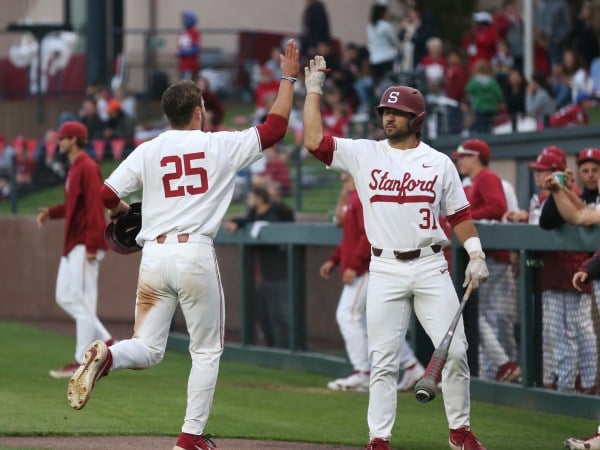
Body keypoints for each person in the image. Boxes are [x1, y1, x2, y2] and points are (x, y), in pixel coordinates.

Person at [65, 39, 299, 450]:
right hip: (194, 254)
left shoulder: (148, 149)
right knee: (206, 351)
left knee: (149, 348)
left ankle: (110, 355)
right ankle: (190, 437)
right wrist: (288, 77)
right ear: (198, 112)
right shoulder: (218, 144)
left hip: (154, 255)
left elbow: (104, 194)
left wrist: (120, 211)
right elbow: (276, 127)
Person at [302, 55, 490, 450]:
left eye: (397, 112)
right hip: (384, 267)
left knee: (454, 352)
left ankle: (460, 432)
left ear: (416, 119)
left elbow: (459, 214)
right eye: (385, 110)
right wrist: (314, 91)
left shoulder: (439, 163)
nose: (388, 117)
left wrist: (475, 253)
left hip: (430, 266)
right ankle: (379, 439)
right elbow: (314, 141)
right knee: (383, 361)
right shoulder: (365, 153)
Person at [36, 121, 115, 379]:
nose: (59, 142)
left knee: (81, 301)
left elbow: (94, 207)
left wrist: (93, 245)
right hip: (74, 244)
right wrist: (51, 212)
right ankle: (106, 341)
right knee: (65, 296)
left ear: (73, 139)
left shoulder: (87, 166)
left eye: (62, 138)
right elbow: (73, 206)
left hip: (85, 243)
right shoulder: (76, 168)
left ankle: (82, 360)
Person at [453, 139, 520, 383]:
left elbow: (497, 207)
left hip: (495, 257)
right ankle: (501, 369)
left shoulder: (486, 177)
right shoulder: (476, 181)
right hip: (489, 256)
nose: (459, 161)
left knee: (489, 316)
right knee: (490, 317)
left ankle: (505, 366)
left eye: (463, 156)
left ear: (475, 157)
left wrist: (464, 218)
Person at [223, 185, 294, 348]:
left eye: (251, 197)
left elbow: (275, 224)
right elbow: (248, 221)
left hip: (278, 273)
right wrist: (235, 222)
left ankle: (284, 350)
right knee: (263, 315)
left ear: (259, 198)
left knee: (279, 316)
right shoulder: (254, 214)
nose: (248, 200)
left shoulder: (275, 214)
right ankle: (272, 347)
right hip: (261, 276)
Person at [366, 3, 400, 88]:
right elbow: (395, 41)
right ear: (382, 13)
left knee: (377, 83)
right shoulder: (385, 25)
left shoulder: (370, 26)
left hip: (374, 59)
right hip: (386, 58)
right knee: (390, 83)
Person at [177, 10, 201, 81]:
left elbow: (195, 49)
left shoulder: (194, 32)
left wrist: (183, 52)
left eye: (185, 19)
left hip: (190, 66)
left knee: (188, 86)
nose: (183, 21)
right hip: (183, 65)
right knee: (181, 86)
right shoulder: (184, 32)